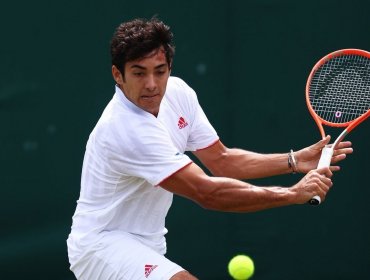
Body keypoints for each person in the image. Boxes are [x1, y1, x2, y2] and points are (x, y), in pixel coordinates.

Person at [66, 17, 353, 280]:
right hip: (101, 245)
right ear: (118, 75)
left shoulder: (178, 93)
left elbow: (223, 160)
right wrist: (292, 194)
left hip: (148, 244)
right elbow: (207, 192)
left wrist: (293, 160)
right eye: (139, 73)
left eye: (160, 71)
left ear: (169, 69)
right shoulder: (126, 129)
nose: (152, 84)